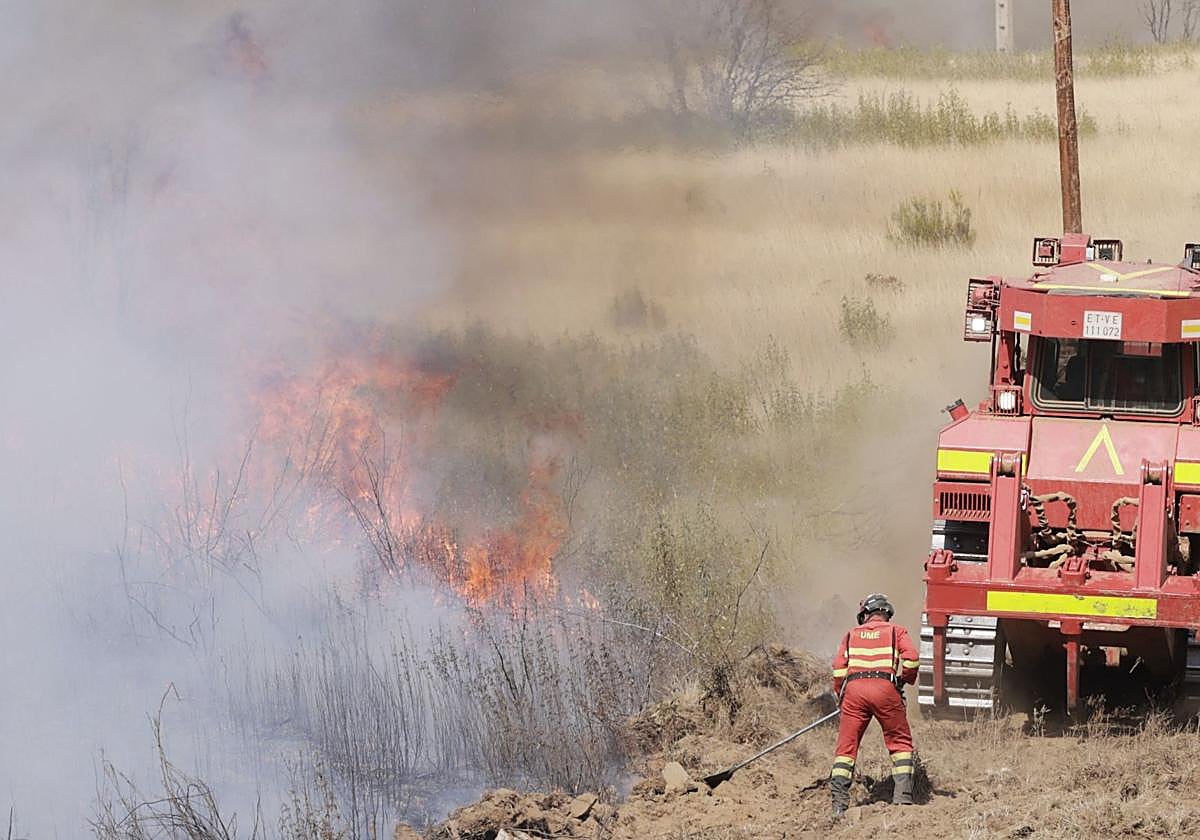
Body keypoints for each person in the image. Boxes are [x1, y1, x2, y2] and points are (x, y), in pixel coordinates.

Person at [828, 593, 920, 818]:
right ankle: (902, 798)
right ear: (886, 613)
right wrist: (903, 680)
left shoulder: (850, 635)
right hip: (885, 689)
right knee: (900, 742)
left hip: (854, 693)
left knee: (846, 749)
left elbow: (839, 670)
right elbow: (912, 659)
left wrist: (841, 695)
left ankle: (839, 805)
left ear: (865, 615)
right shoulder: (896, 631)